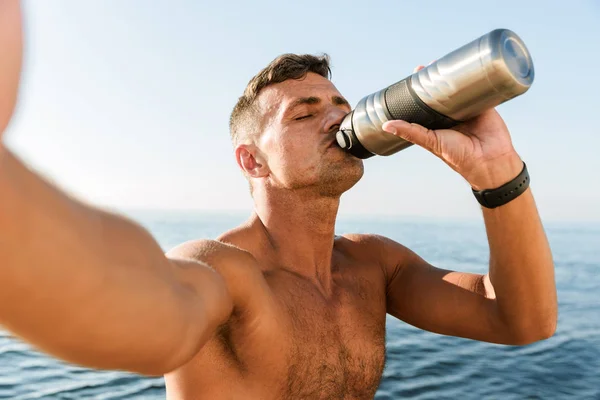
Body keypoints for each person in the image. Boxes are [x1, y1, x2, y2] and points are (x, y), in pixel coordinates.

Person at [0, 2, 557, 399]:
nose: (336, 117)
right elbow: (137, 308)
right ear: (253, 161)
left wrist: (497, 174)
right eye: (304, 112)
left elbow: (520, 320)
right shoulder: (224, 270)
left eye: (340, 105)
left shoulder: (372, 265)